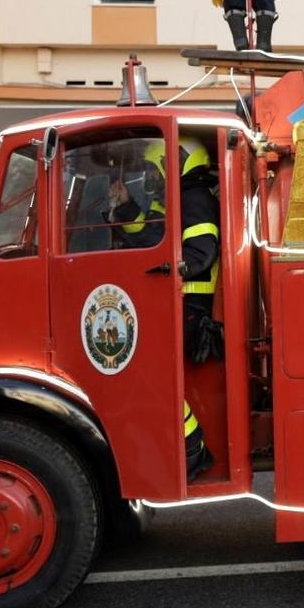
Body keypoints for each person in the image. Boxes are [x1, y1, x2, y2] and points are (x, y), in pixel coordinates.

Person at [106, 135, 219, 481]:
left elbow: (201, 253)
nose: (152, 178)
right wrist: (125, 207)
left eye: (155, 169)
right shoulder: (173, 200)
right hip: (174, 303)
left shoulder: (194, 199)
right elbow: (148, 236)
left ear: (177, 162)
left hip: (190, 306)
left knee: (149, 374)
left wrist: (168, 267)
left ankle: (191, 449)